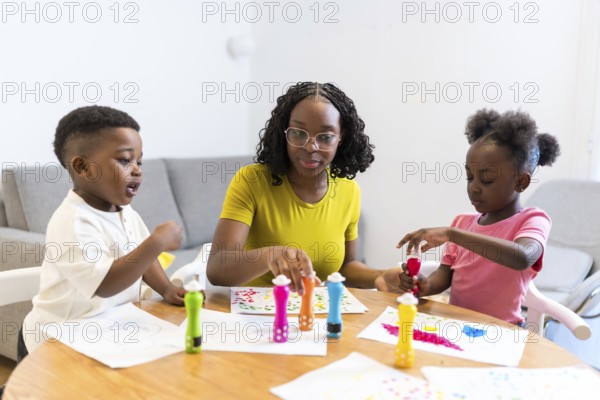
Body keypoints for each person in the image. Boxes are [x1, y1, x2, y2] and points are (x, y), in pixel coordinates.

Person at [207, 82, 405, 294]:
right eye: (299, 134)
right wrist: (271, 256)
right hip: (255, 317)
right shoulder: (252, 180)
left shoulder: (349, 191)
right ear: (284, 133)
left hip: (313, 315)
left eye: (326, 137)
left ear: (341, 137)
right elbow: (218, 269)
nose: (310, 147)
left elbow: (346, 268)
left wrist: (379, 276)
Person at [20, 105, 185, 359]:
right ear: (83, 168)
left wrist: (166, 289)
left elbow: (141, 257)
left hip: (104, 328)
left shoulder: (124, 212)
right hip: (55, 341)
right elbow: (105, 284)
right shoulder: (73, 222)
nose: (137, 169)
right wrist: (156, 242)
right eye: (124, 160)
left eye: (139, 161)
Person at [397, 109, 561, 325]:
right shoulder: (462, 223)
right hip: (457, 325)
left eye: (487, 179)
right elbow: (445, 275)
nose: (473, 188)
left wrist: (452, 234)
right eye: (470, 177)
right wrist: (425, 285)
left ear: (521, 182)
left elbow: (521, 257)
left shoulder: (532, 220)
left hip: (503, 332)